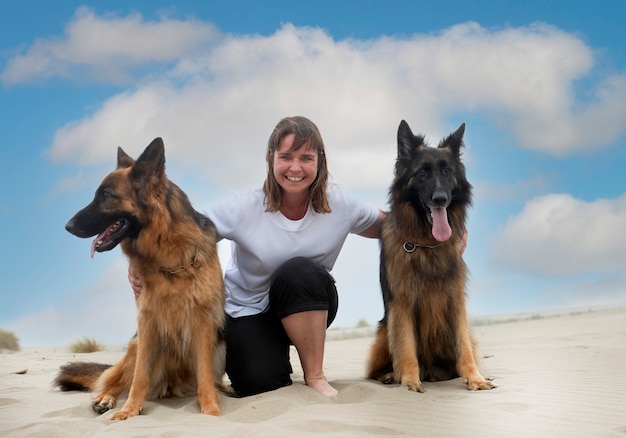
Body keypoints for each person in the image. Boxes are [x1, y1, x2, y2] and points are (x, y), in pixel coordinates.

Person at [130, 116, 384, 398]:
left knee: (299, 270)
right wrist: (140, 265)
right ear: (271, 157)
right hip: (248, 312)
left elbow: (392, 227)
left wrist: (437, 222)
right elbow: (184, 236)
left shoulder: (342, 205)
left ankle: (315, 374)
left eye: (306, 158)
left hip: (309, 303)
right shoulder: (242, 206)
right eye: (286, 157)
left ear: (320, 161)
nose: (295, 168)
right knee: (258, 383)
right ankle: (273, 357)